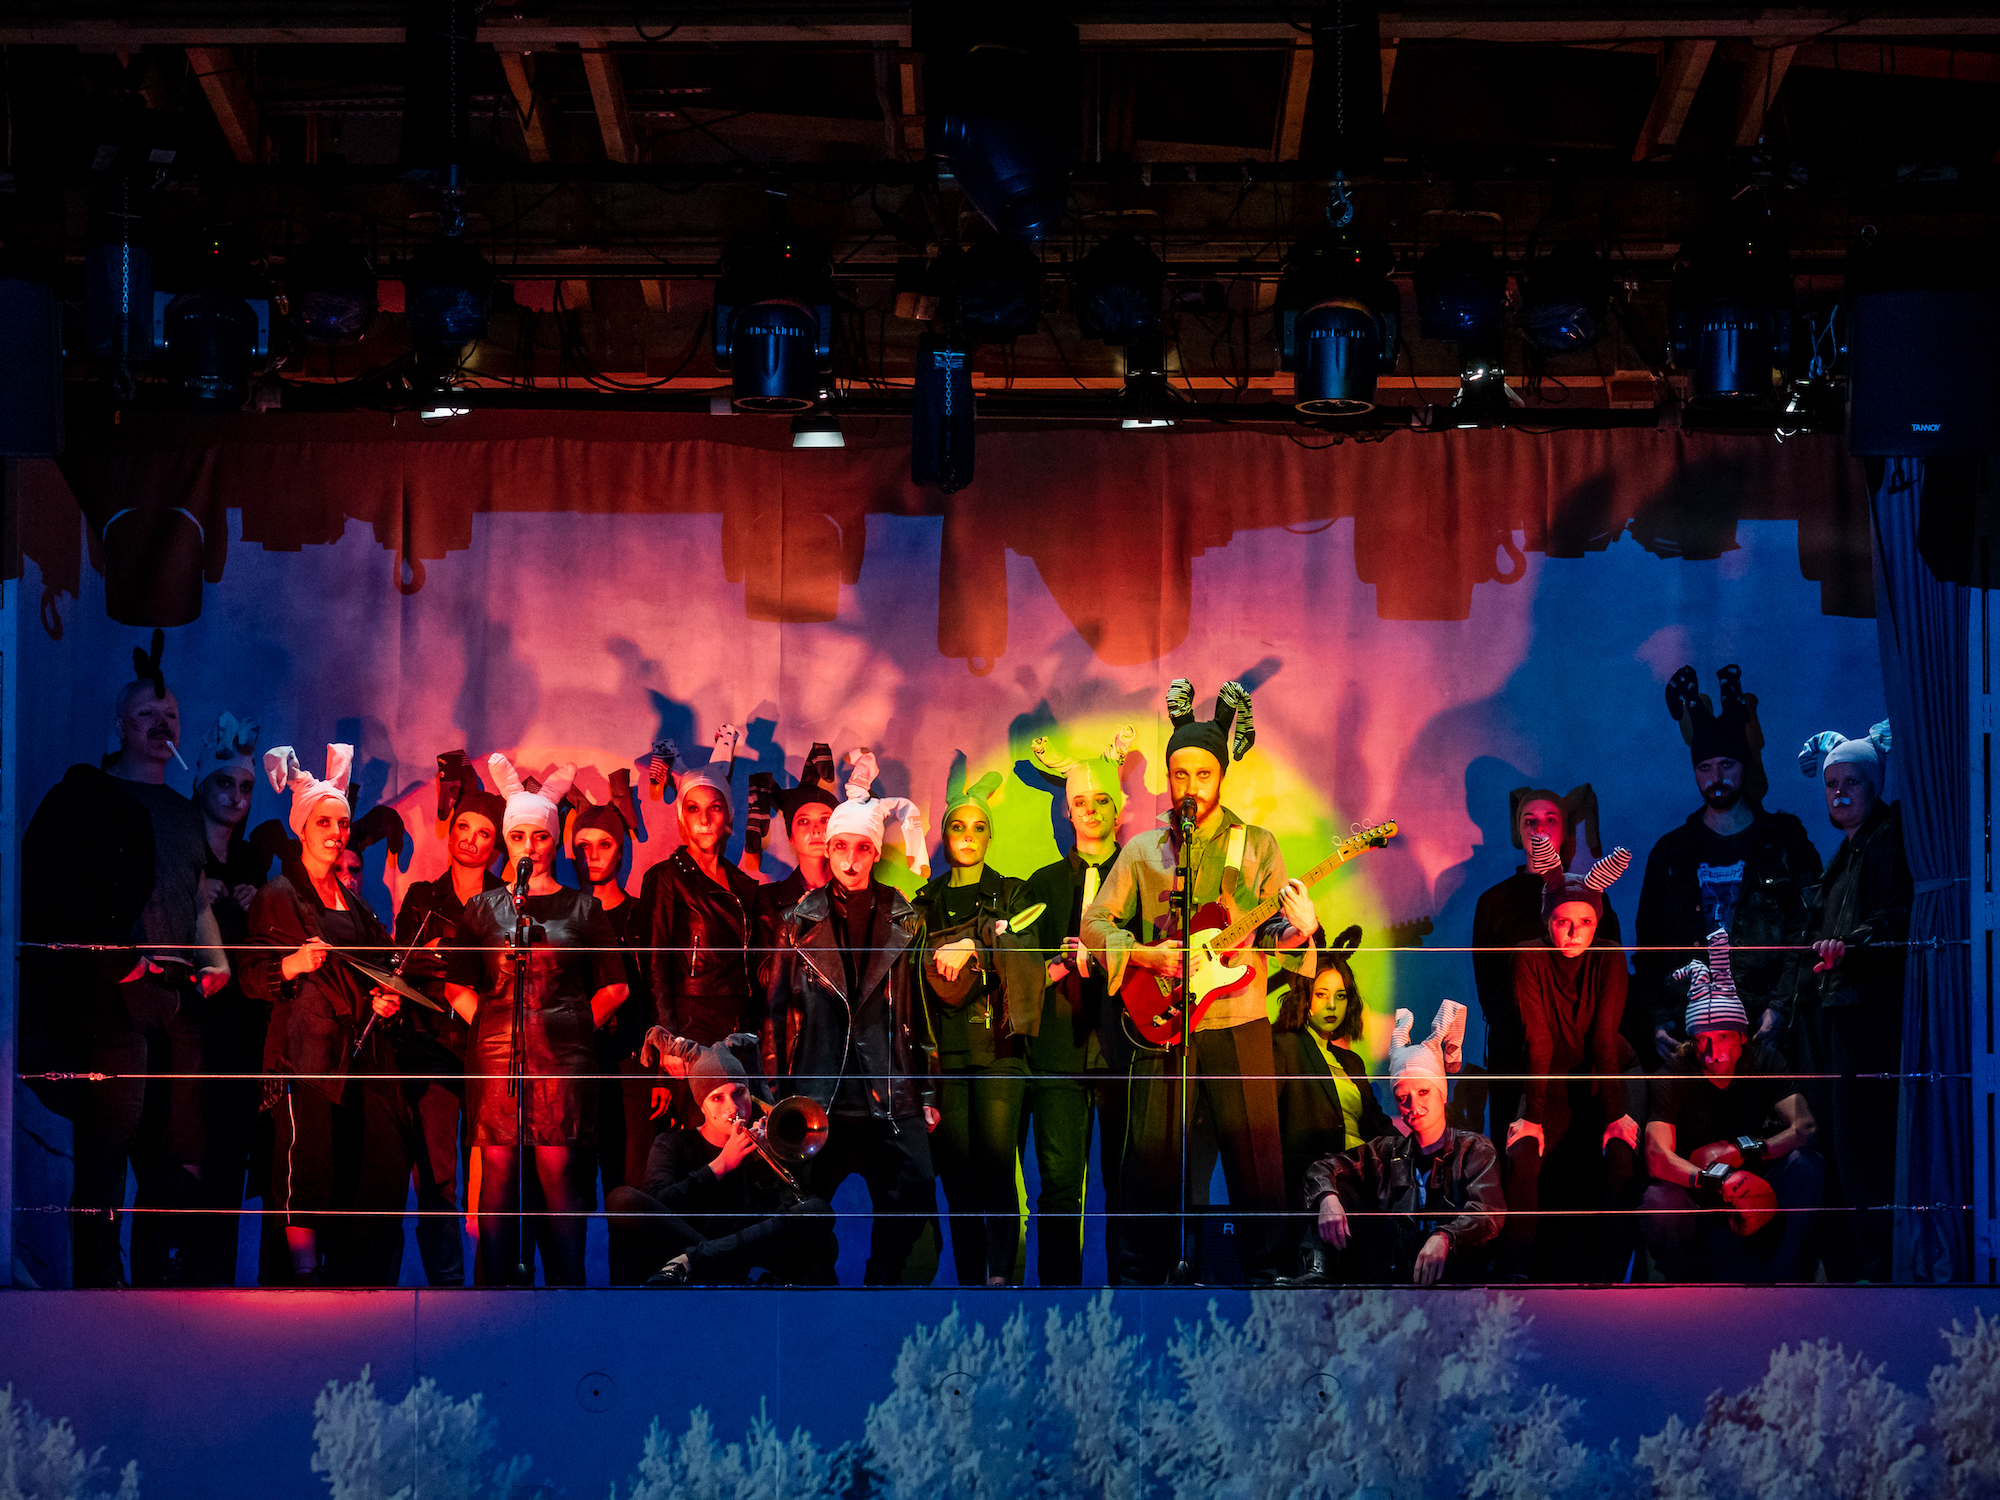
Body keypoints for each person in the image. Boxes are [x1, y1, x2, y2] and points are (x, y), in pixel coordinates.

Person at [1082, 679, 1317, 1283]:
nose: (1191, 787)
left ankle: (1268, 1276)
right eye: (1180, 774)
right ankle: (1142, 1278)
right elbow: (1094, 922)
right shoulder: (1143, 849)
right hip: (1162, 1024)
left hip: (1240, 1020)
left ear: (1221, 778)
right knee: (1150, 1159)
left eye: (1203, 775)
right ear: (1169, 778)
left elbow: (1274, 936)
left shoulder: (1256, 844)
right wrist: (1145, 955)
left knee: (1256, 1156)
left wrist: (1298, 932)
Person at [20, 632, 228, 1286]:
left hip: (177, 996)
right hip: (111, 996)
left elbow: (197, 896)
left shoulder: (186, 814)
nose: (162, 725)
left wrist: (217, 961)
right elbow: (61, 896)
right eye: (147, 715)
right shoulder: (90, 800)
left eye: (170, 716)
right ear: (120, 726)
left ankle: (157, 1290)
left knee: (177, 1147)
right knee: (109, 1143)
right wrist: (122, 968)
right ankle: (98, 1287)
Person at [444, 755, 628, 1286]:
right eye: (519, 836)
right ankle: (495, 1302)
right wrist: (493, 1024)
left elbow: (616, 986)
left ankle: (567, 1296)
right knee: (498, 1174)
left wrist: (569, 1026)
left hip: (563, 1059)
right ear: (508, 841)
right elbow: (457, 984)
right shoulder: (482, 908)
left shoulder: (583, 908)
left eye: (541, 836)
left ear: (554, 840)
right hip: (497, 1057)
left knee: (559, 1172)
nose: (530, 846)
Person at [241, 745, 411, 1286]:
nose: (336, 832)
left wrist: (386, 1001)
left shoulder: (356, 905)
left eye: (342, 822)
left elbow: (379, 971)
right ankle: (304, 1284)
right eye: (324, 822)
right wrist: (291, 964)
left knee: (373, 1169)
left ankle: (358, 1286)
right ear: (302, 828)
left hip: (360, 1060)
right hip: (307, 1057)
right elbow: (250, 976)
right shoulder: (278, 896)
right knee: (306, 1172)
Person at [764, 769, 941, 1284]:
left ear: (875, 851)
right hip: (819, 1090)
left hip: (888, 1087)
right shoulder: (798, 919)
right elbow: (776, 1011)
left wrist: (928, 1089)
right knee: (799, 1202)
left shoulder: (905, 917)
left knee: (916, 1187)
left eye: (861, 848)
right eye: (840, 846)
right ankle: (820, 1290)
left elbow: (920, 1009)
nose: (849, 859)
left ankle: (882, 1280)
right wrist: (774, 1093)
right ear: (828, 847)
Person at [1635, 665, 1821, 1064]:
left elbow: (1806, 930)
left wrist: (1781, 1006)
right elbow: (1649, 948)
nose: (1715, 777)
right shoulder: (1670, 853)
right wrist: (1656, 1019)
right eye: (1705, 767)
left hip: (1763, 1027)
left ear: (1744, 765)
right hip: (1691, 1029)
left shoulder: (1784, 841)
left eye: (1727, 765)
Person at [913, 766, 1045, 1286]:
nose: (967, 836)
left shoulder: (1012, 894)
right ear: (945, 836)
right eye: (957, 827)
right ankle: (971, 1282)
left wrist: (978, 945)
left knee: (996, 1170)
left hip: (998, 1050)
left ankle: (1002, 1278)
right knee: (957, 1179)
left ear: (991, 835)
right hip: (943, 1053)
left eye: (978, 827)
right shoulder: (922, 902)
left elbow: (1030, 956)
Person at [1793, 721, 1911, 1282]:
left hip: (1865, 1009)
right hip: (1834, 1007)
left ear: (1874, 785)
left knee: (1862, 1142)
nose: (1839, 793)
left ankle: (1876, 1267)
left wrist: (1852, 948)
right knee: (1837, 1141)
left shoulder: (1887, 839)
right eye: (1831, 784)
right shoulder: (1842, 855)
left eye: (1851, 783)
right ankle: (1852, 1267)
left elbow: (1897, 914)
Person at [1641, 930, 1823, 1281]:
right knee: (1658, 1203)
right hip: (1697, 1188)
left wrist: (1743, 1152)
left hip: (1757, 1181)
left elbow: (1807, 1127)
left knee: (1807, 1165)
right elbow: (1657, 1156)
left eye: (1723, 1037)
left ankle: (1784, 1277)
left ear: (1741, 1034)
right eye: (1703, 1040)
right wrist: (1717, 1178)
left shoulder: (1765, 1060)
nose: (1713, 1053)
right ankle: (1684, 1287)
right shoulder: (1675, 1072)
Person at [389, 755, 508, 1287]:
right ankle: (445, 1286)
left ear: (496, 845)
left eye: (483, 833)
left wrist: (441, 957)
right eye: (463, 827)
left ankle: (490, 1284)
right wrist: (444, 960)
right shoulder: (422, 896)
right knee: (437, 1177)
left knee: (494, 1174)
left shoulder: (507, 902)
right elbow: (401, 963)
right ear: (451, 830)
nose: (470, 840)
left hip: (487, 1048)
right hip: (428, 1044)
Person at [1023, 727, 1135, 1285]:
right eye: (1081, 802)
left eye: (1101, 801)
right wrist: (1058, 963)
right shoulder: (1042, 885)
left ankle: (1128, 1302)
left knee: (1126, 1185)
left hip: (1124, 1051)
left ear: (1119, 810)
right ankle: (1056, 1303)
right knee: (1059, 1187)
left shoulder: (1143, 878)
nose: (1090, 811)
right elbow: (1020, 974)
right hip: (1057, 1056)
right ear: (1068, 812)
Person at [1500, 846, 1641, 1281]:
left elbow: (1604, 1039)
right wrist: (1532, 1118)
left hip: (1606, 1074)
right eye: (1563, 921)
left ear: (1598, 922)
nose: (1574, 933)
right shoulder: (1528, 955)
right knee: (1523, 1155)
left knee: (1620, 1156)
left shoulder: (1609, 955)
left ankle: (1610, 1282)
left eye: (1586, 922)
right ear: (1547, 920)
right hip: (1547, 1076)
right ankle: (1517, 1279)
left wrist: (1615, 1115)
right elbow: (1538, 1041)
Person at [1303, 1003, 1504, 1285]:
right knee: (1338, 1191)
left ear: (1442, 1093)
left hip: (1458, 1285)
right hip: (1396, 1280)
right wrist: (1327, 1197)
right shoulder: (1386, 1152)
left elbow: (1488, 1213)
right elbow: (1322, 1168)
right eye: (1402, 1097)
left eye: (1423, 1091)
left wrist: (1445, 1236)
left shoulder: (1473, 1150)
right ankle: (1318, 1277)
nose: (1414, 1105)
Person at [604, 1041, 836, 1286]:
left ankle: (696, 1260)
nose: (733, 1107)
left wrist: (770, 1157)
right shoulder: (673, 1143)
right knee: (621, 1200)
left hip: (721, 1254)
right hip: (697, 1247)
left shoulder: (762, 1146)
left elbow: (783, 1217)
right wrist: (721, 1165)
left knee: (818, 1211)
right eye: (717, 1098)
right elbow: (658, 1205)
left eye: (739, 1093)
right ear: (701, 1105)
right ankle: (728, 1270)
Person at [1471, 784, 1623, 1147]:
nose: (1539, 829)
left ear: (1565, 829)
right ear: (1518, 829)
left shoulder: (1592, 898)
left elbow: (1611, 975)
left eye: (1550, 820)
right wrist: (1526, 1039)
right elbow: (1488, 988)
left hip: (1582, 1061)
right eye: (1530, 820)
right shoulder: (1494, 902)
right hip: (1516, 1054)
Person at [181, 712, 272, 1284]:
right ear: (201, 785)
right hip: (190, 1025)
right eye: (224, 783)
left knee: (229, 1157)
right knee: (183, 1153)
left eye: (245, 787)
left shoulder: (251, 861)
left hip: (239, 1031)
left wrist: (256, 902)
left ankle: (215, 1284)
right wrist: (194, 894)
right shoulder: (181, 850)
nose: (236, 796)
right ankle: (170, 1282)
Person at [643, 760, 774, 1125]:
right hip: (693, 1026)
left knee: (745, 1133)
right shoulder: (666, 878)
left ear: (728, 816)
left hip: (741, 1029)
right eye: (693, 808)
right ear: (681, 818)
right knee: (702, 1133)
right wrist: (667, 1042)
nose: (703, 819)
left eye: (714, 808)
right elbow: (655, 965)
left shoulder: (745, 887)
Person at [567, 774, 655, 1199]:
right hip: (576, 1068)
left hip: (630, 1066)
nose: (593, 855)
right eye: (583, 846)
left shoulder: (641, 915)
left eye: (604, 845)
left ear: (620, 850)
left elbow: (656, 991)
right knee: (571, 1192)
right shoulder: (562, 916)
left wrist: (659, 1071)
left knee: (631, 1189)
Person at [764, 741, 840, 914]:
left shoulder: (862, 897)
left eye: (825, 820)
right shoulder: (768, 901)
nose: (816, 829)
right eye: (804, 821)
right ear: (791, 835)